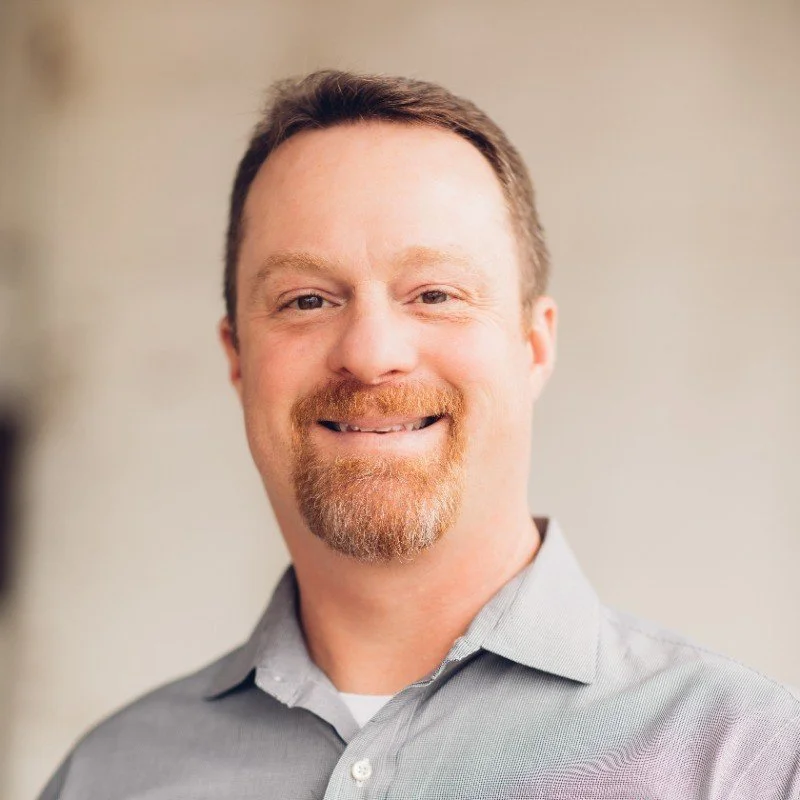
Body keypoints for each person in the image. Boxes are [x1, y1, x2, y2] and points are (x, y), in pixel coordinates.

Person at [38, 70, 798, 800]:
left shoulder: (744, 763)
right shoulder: (109, 778)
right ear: (238, 356)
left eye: (435, 293)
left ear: (534, 346)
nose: (370, 354)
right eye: (306, 300)